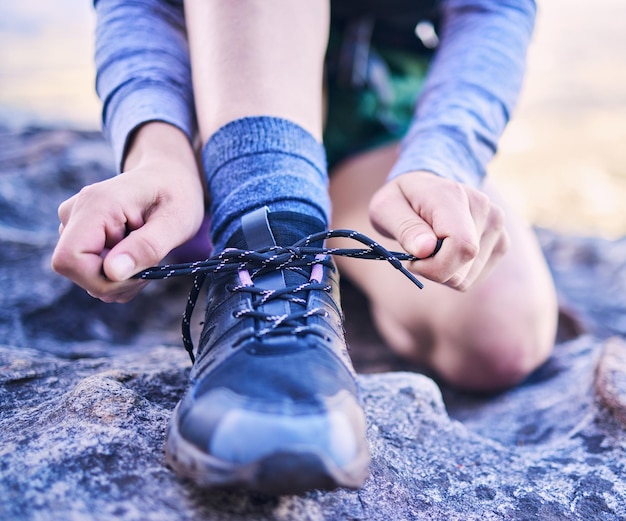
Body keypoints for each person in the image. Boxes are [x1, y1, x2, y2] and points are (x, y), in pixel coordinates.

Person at [51, 0, 558, 494]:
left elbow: (493, 9)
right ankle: (264, 215)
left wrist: (440, 160)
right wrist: (157, 155)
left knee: (499, 334)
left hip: (370, 120)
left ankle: (300, 213)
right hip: (224, 108)